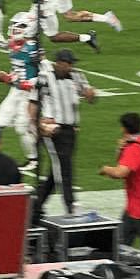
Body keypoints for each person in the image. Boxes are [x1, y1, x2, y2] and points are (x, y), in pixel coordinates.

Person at [33, 48, 96, 218]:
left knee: (57, 170)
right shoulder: (45, 77)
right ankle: (71, 204)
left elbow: (88, 94)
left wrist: (91, 94)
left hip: (70, 129)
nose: (70, 67)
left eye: (71, 64)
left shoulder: (76, 76)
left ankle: (36, 204)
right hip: (53, 129)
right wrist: (39, 125)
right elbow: (34, 102)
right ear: (58, 62)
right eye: (68, 63)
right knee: (64, 166)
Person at [99, 113, 140, 256]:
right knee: (122, 245)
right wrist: (120, 149)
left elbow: (120, 172)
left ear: (124, 129)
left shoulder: (134, 149)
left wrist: (106, 169)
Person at [0, 13, 42, 172]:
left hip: (28, 93)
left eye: (20, 25)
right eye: (15, 24)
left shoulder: (32, 48)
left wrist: (30, 83)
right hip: (15, 90)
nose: (15, 28)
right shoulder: (15, 44)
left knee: (22, 128)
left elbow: (42, 72)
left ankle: (33, 160)